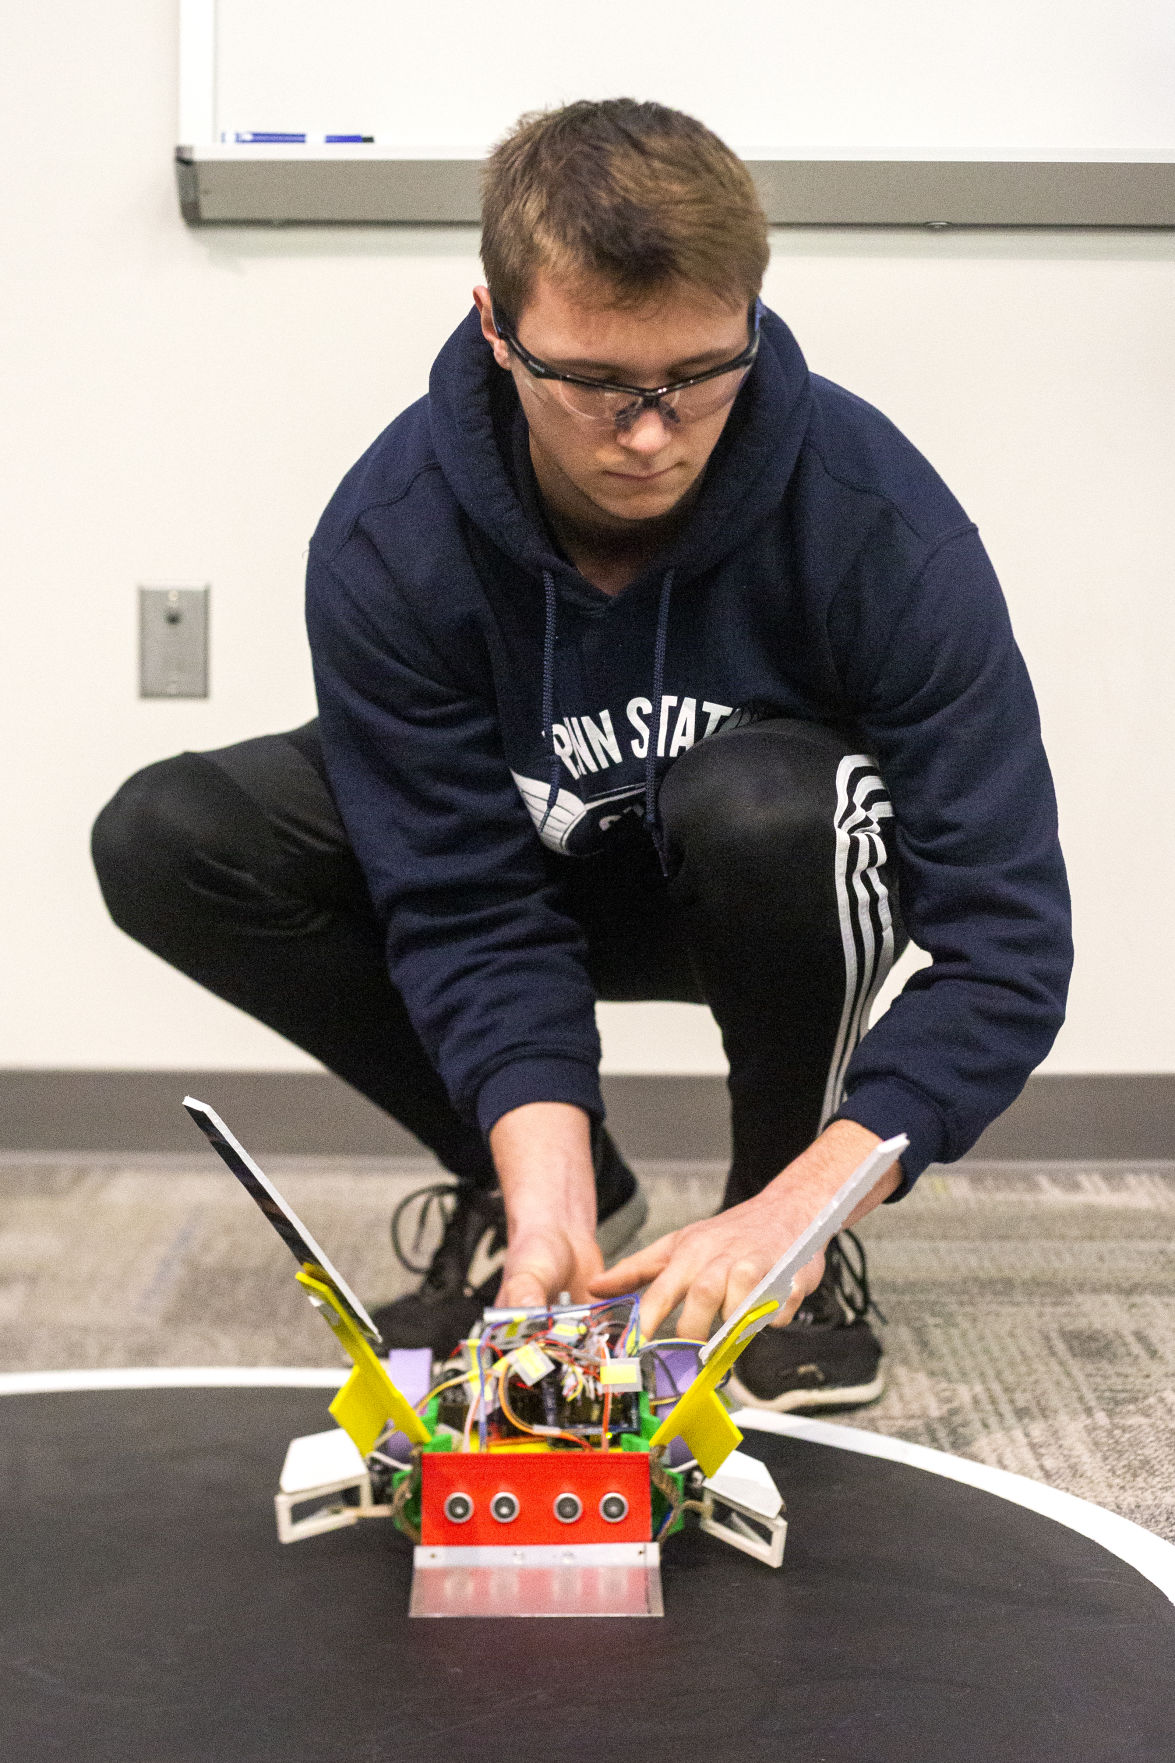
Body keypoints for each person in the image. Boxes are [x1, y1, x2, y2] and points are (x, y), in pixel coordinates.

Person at [92, 99, 1071, 1412]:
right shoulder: (392, 539)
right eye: (599, 383)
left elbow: (1007, 949)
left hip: (769, 877)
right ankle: (544, 1199)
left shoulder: (878, 522)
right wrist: (541, 1178)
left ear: (753, 319)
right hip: (528, 854)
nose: (654, 430)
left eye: (701, 373)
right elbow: (460, 898)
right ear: (499, 331)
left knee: (772, 805)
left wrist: (807, 1200)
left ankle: (781, 1240)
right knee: (170, 834)